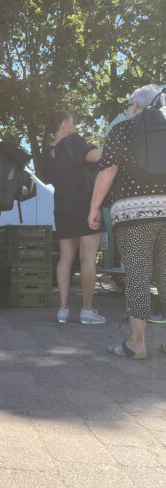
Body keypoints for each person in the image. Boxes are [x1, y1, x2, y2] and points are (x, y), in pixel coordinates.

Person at [88, 84, 166, 359]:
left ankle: (136, 343)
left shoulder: (123, 129)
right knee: (165, 274)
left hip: (134, 215)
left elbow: (108, 170)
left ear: (135, 106)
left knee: (137, 276)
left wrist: (95, 207)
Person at [42, 111, 106, 325]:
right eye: (73, 122)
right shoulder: (73, 140)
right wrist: (114, 144)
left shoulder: (47, 151)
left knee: (65, 257)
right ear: (65, 124)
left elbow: (49, 178)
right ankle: (87, 311)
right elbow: (94, 156)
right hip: (85, 204)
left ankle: (63, 309)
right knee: (88, 258)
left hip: (62, 206)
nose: (75, 126)